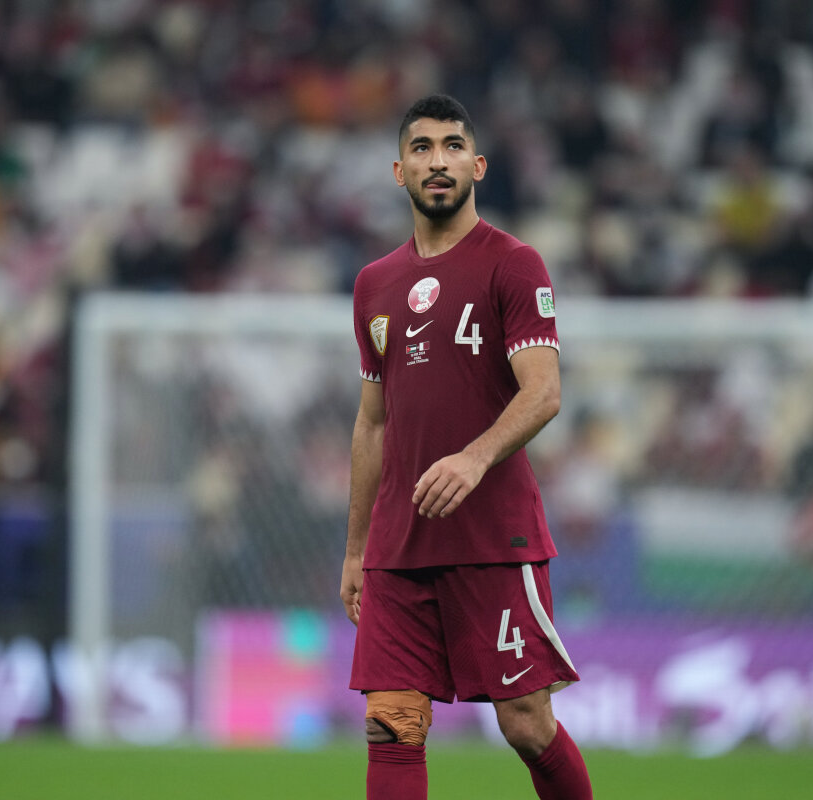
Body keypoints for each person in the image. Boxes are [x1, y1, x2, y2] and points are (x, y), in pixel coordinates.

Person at [341, 94, 593, 800]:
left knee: (526, 724)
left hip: (492, 539)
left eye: (453, 146)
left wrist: (473, 457)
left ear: (477, 166)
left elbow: (544, 392)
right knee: (391, 723)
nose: (438, 161)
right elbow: (373, 423)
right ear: (399, 171)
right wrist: (357, 548)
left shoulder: (513, 264)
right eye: (421, 147)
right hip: (399, 544)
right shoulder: (373, 285)